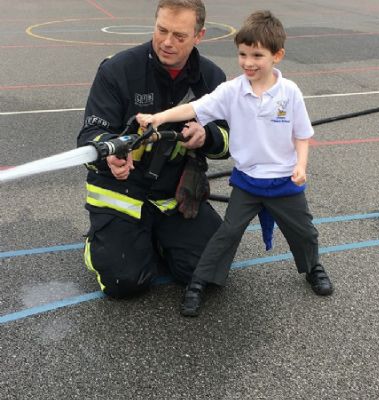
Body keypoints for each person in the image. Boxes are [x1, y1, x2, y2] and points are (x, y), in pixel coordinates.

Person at [137, 10, 334, 317]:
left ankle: (313, 268)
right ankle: (198, 283)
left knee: (305, 232)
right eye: (243, 54)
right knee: (227, 234)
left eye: (257, 55)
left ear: (277, 55)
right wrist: (159, 117)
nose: (248, 62)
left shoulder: (290, 92)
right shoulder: (232, 91)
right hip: (248, 182)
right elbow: (194, 107)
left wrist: (301, 166)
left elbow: (302, 135)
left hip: (284, 181)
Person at [77, 0, 230, 300]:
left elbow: (229, 139)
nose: (167, 42)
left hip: (174, 195)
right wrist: (109, 156)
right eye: (162, 30)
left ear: (199, 36)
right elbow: (90, 135)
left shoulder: (212, 79)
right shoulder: (118, 69)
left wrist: (206, 136)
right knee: (123, 282)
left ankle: (157, 238)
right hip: (122, 192)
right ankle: (102, 240)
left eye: (180, 36)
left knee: (207, 271)